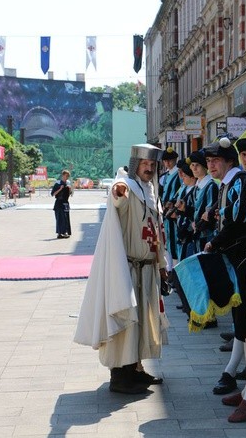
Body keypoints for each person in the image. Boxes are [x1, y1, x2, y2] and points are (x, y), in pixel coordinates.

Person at [74, 144, 168, 394]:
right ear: (136, 164)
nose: (149, 168)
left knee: (143, 324)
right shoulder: (128, 186)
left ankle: (136, 370)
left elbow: (157, 233)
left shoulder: (151, 191)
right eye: (144, 164)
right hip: (128, 270)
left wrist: (162, 265)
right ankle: (120, 377)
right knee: (126, 323)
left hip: (148, 270)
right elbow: (118, 198)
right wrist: (118, 190)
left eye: (152, 165)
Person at [204, 137, 246, 423]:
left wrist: (214, 242)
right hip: (241, 257)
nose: (211, 165)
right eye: (208, 162)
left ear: (229, 161)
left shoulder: (241, 181)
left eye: (216, 160)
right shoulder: (228, 185)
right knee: (243, 323)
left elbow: (241, 220)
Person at [160, 147, 181, 269]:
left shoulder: (178, 173)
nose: (167, 163)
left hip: (174, 211)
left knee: (174, 239)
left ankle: (174, 267)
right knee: (168, 239)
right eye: (165, 161)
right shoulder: (165, 175)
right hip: (166, 212)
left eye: (170, 160)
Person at [51, 170, 72, 239]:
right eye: (66, 176)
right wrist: (60, 189)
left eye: (68, 176)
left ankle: (65, 232)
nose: (66, 177)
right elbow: (53, 194)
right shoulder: (58, 183)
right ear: (62, 175)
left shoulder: (68, 183)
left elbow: (70, 194)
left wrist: (70, 190)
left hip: (65, 203)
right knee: (60, 218)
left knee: (66, 218)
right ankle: (60, 233)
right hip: (59, 203)